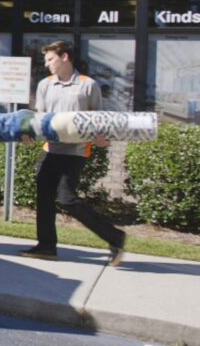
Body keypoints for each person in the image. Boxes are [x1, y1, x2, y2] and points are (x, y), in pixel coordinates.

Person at [20, 40, 127, 266]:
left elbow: (99, 121)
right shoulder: (45, 85)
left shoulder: (88, 85)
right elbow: (41, 119)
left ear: (64, 57)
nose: (47, 64)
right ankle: (46, 246)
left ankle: (115, 237)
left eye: (50, 59)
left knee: (67, 199)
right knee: (44, 199)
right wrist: (30, 135)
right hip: (50, 150)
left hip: (75, 152)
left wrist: (102, 140)